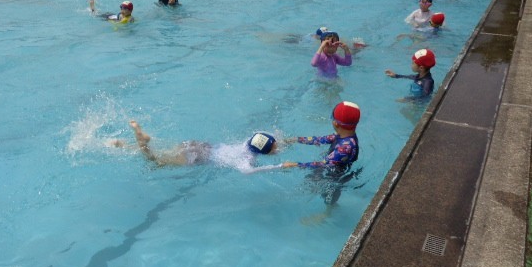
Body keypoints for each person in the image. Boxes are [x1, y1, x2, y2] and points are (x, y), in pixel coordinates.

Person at [280, 101, 361, 222]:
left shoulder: (346, 147)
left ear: (335, 123)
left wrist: (296, 164)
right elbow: (319, 140)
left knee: (330, 193)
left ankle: (327, 213)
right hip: (331, 166)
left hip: (336, 174)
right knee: (311, 181)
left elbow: (323, 164)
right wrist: (295, 140)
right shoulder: (342, 135)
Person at [127, 120, 280, 173]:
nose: (277, 148)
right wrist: (280, 166)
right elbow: (247, 171)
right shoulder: (248, 159)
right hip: (199, 157)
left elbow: (262, 135)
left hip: (199, 145)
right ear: (264, 152)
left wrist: (289, 140)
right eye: (274, 147)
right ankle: (142, 142)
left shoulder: (250, 141)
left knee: (165, 153)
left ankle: (125, 145)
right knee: (155, 162)